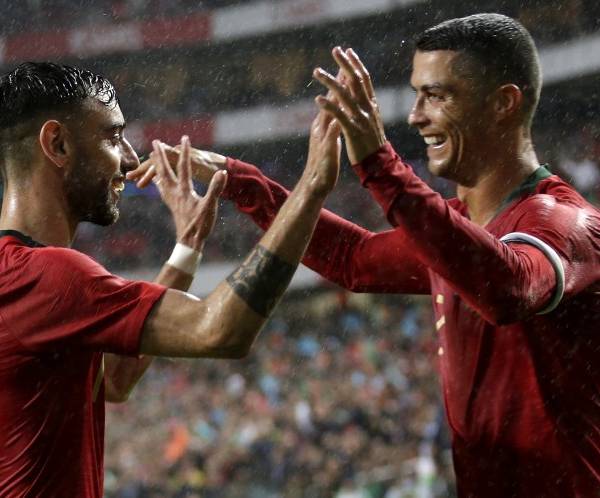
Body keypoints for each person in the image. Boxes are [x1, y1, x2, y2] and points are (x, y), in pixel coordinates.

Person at [130, 13, 600, 498]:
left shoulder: (567, 223)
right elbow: (351, 258)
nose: (415, 116)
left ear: (503, 103)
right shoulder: (459, 230)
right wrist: (242, 183)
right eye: (416, 94)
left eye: (437, 95)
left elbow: (508, 287)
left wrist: (380, 164)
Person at [0, 62, 342, 497]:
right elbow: (219, 331)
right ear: (58, 143)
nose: (129, 158)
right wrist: (310, 188)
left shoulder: (21, 276)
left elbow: (114, 378)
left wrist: (187, 247)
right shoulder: (46, 276)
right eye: (112, 137)